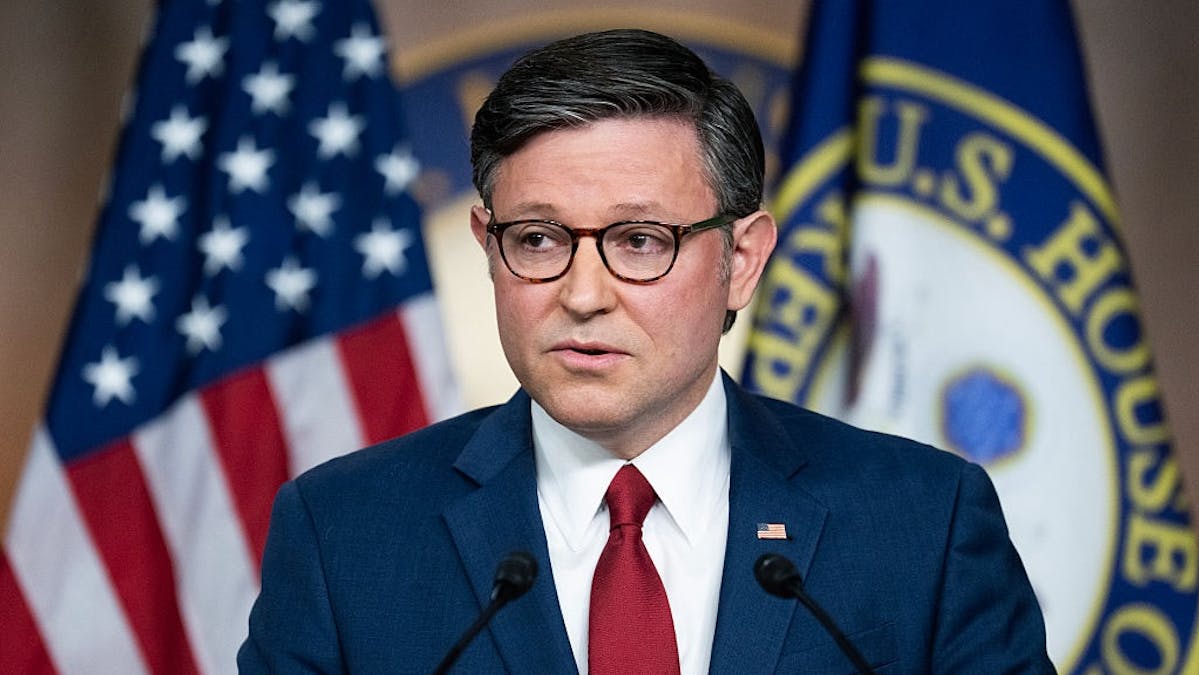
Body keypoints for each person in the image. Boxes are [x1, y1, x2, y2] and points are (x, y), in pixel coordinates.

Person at [239, 29, 1053, 674]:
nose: (583, 293)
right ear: (488, 246)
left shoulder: (925, 524)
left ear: (742, 260)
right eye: (537, 238)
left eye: (638, 240)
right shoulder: (343, 535)